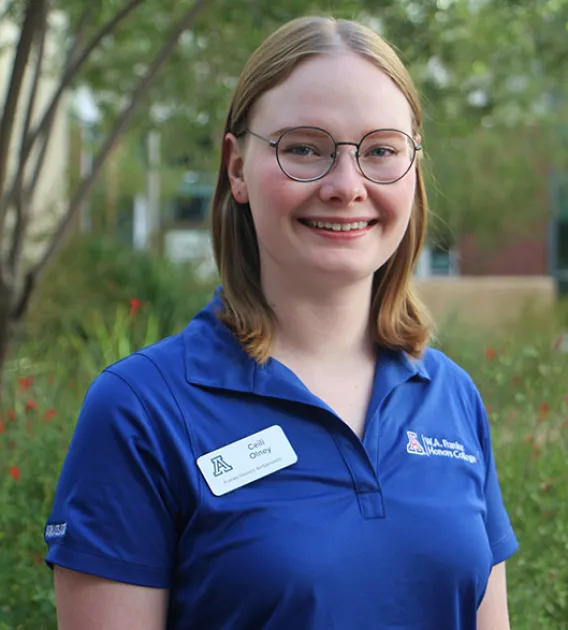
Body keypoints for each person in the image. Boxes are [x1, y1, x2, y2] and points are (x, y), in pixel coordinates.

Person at [44, 15, 518, 630]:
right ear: (237, 168)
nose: (347, 186)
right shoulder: (142, 411)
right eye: (303, 148)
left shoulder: (450, 397)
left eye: (380, 151)